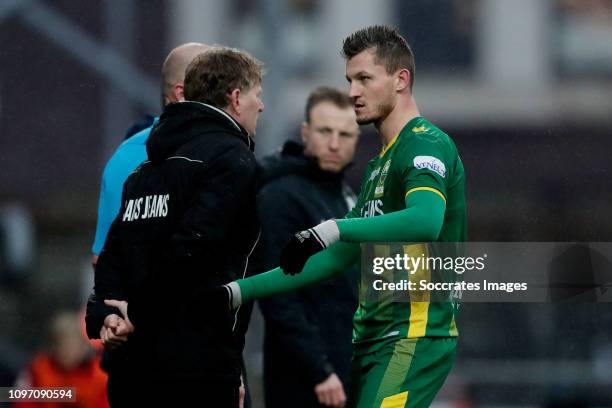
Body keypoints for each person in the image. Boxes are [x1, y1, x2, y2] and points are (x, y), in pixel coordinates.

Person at [220, 25, 467, 408]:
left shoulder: (425, 142)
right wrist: (240, 290)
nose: (353, 91)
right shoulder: (377, 166)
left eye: (364, 79)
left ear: (401, 80)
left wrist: (335, 227)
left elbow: (425, 220)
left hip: (413, 336)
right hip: (371, 340)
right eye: (350, 80)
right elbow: (336, 257)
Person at [85, 47, 264, 407]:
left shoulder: (143, 169)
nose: (261, 106)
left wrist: (107, 317)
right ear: (236, 97)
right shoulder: (233, 160)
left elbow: (110, 257)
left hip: (131, 370)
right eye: (258, 95)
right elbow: (193, 250)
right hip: (198, 370)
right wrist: (137, 315)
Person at [255, 86, 360, 408]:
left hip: (348, 370)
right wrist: (319, 370)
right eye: (325, 131)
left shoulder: (349, 198)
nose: (334, 143)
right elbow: (278, 295)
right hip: (304, 381)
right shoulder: (280, 197)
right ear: (305, 133)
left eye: (345, 134)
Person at [91, 42, 210, 267]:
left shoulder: (124, 155)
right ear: (181, 94)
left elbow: (101, 258)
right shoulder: (131, 157)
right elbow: (104, 259)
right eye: (215, 86)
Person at [14, 310, 109, 408]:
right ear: (53, 347)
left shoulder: (101, 375)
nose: (67, 352)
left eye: (72, 346)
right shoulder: (37, 370)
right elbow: (23, 402)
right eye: (62, 345)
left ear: (83, 346)